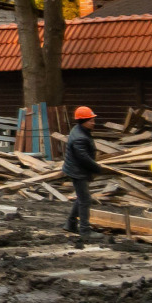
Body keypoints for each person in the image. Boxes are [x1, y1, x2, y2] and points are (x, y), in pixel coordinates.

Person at [62, 105, 105, 247]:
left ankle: (71, 223)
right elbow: (84, 158)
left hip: (76, 169)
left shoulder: (80, 130)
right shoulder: (80, 138)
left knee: (81, 197)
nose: (94, 122)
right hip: (77, 171)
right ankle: (85, 230)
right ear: (83, 121)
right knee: (85, 200)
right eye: (91, 120)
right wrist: (97, 168)